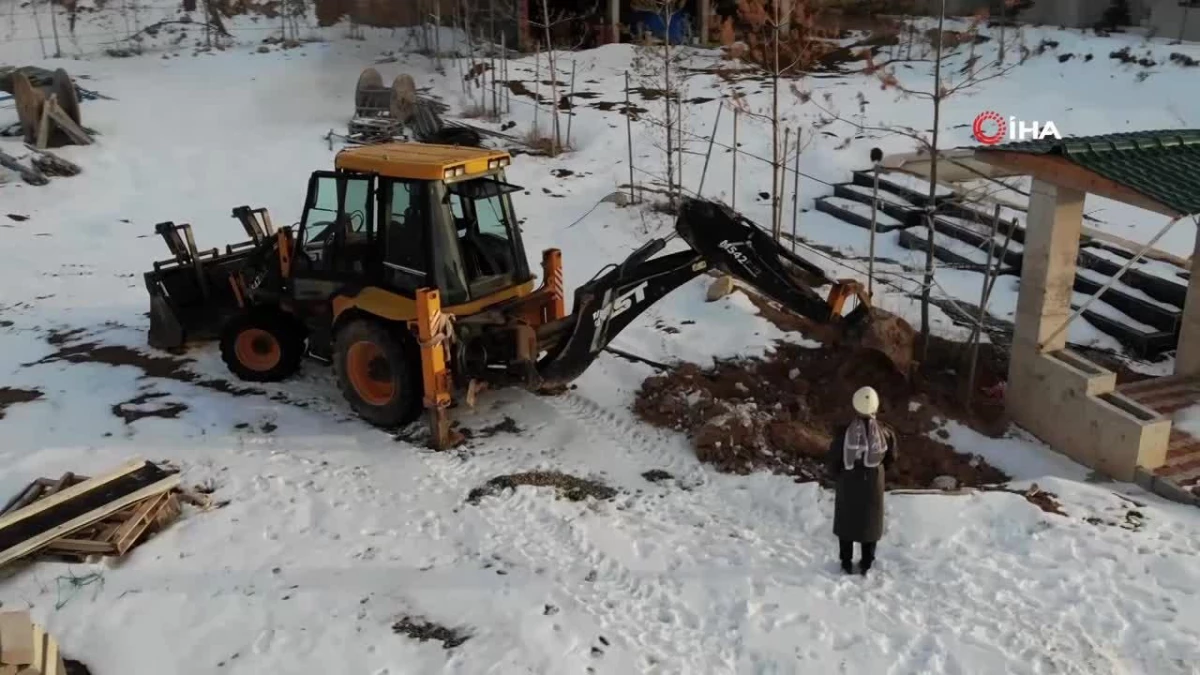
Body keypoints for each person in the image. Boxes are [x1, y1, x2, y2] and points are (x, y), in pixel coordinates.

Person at [827, 386, 897, 575]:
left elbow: (834, 460)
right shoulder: (886, 433)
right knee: (870, 522)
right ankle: (867, 562)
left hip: (849, 481)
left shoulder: (844, 434)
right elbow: (891, 458)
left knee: (847, 522)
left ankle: (846, 562)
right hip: (873, 481)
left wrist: (838, 475)